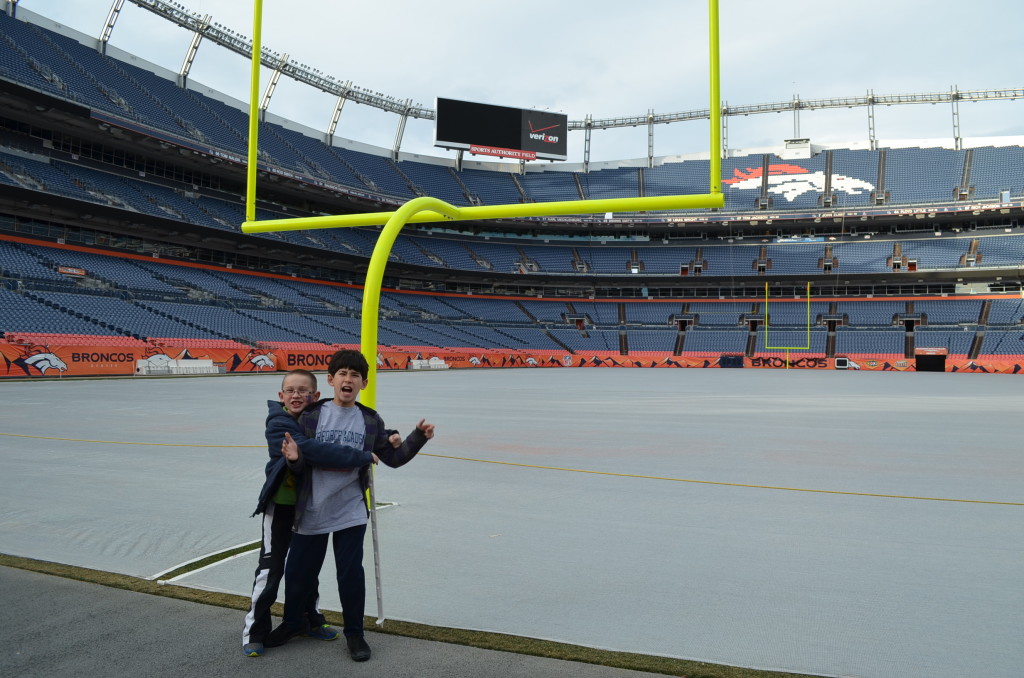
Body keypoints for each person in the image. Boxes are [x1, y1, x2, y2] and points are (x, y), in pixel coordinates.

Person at [265, 349, 435, 662]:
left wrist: (416, 438)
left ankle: (354, 633)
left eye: (354, 375)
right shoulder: (312, 415)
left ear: (363, 383)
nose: (348, 378)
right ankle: (293, 623)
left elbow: (392, 458)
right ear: (330, 380)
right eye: (342, 373)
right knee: (299, 573)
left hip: (350, 511)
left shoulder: (370, 420)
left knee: (350, 575)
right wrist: (296, 462)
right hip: (311, 508)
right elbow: (304, 459)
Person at [242, 368, 379, 658]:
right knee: (272, 569)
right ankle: (254, 631)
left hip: (308, 506)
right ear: (281, 396)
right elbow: (312, 450)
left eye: (303, 391)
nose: (296, 395)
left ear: (315, 396)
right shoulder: (278, 421)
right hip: (281, 507)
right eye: (290, 390)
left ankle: (309, 620)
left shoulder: (313, 419)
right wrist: (360, 456)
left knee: (307, 570)